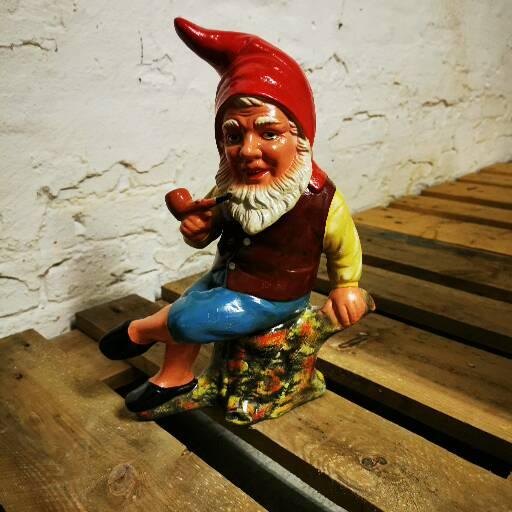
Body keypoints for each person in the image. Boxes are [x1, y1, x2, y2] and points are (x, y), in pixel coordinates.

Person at [99, 18, 367, 413]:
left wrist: (346, 285)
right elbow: (208, 224)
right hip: (226, 277)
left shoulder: (321, 199)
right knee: (191, 300)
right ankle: (175, 377)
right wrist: (198, 228)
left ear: (299, 137)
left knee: (187, 320)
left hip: (274, 297)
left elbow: (345, 246)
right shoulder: (233, 186)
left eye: (269, 133)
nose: (248, 151)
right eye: (234, 136)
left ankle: (139, 331)